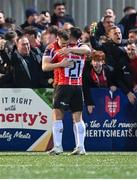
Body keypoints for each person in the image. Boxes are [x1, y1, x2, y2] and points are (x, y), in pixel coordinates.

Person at [42, 27, 91, 155]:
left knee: (58, 116)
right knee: (78, 118)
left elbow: (45, 66)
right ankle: (80, 147)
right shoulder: (79, 47)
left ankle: (58, 147)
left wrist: (61, 62)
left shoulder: (57, 49)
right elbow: (88, 50)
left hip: (64, 85)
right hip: (77, 86)